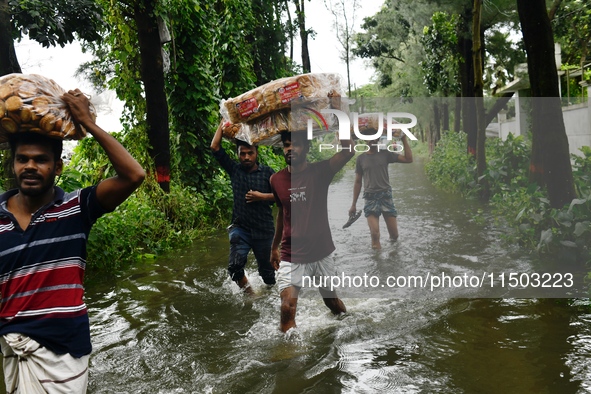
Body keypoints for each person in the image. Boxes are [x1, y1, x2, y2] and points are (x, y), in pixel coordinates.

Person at [0, 89, 145, 392]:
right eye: (22, 159)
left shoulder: (77, 209)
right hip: (14, 351)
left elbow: (133, 175)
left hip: (65, 352)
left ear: (58, 167)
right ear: (12, 165)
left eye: (41, 160)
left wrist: (88, 123)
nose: (30, 166)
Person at [270, 131, 354, 333]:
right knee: (287, 307)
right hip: (292, 253)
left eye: (296, 145)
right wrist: (274, 247)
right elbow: (282, 211)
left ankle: (348, 325)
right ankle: (288, 357)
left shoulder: (321, 172)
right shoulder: (276, 180)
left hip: (321, 252)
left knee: (332, 302)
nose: (290, 149)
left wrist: (339, 111)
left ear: (307, 148)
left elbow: (349, 150)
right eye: (287, 145)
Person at [210, 122, 276, 294]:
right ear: (238, 154)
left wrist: (261, 196)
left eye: (250, 153)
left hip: (264, 230)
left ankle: (270, 296)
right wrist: (222, 123)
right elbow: (215, 147)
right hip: (241, 228)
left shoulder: (268, 173)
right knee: (234, 267)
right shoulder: (235, 170)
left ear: (256, 153)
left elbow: (282, 197)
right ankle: (250, 295)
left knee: (268, 274)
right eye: (243, 154)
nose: (246, 157)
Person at [349, 134, 413, 249]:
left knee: (394, 236)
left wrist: (403, 139)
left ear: (378, 138)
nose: (372, 139)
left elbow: (409, 159)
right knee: (374, 234)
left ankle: (393, 258)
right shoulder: (361, 159)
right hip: (370, 198)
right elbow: (358, 182)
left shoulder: (385, 154)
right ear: (364, 139)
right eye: (369, 137)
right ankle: (378, 264)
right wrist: (353, 204)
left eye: (374, 137)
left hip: (386, 196)